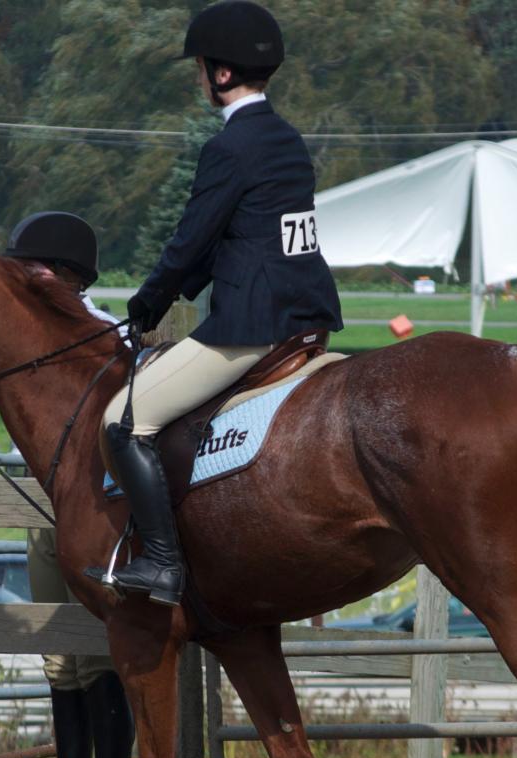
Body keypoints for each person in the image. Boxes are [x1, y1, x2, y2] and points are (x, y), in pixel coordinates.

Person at [85, 0, 343, 605]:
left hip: (250, 327)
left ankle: (164, 566)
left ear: (221, 75)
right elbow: (245, 235)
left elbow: (191, 240)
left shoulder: (228, 148)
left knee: (121, 424)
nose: (199, 79)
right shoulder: (285, 139)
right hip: (307, 319)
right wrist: (179, 288)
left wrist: (147, 302)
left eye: (201, 68)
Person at [0, 211, 134, 758]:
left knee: (102, 655)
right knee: (60, 661)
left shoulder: (106, 336)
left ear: (69, 277)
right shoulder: (24, 340)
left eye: (36, 267)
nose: (25, 275)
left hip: (99, 513)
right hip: (46, 510)